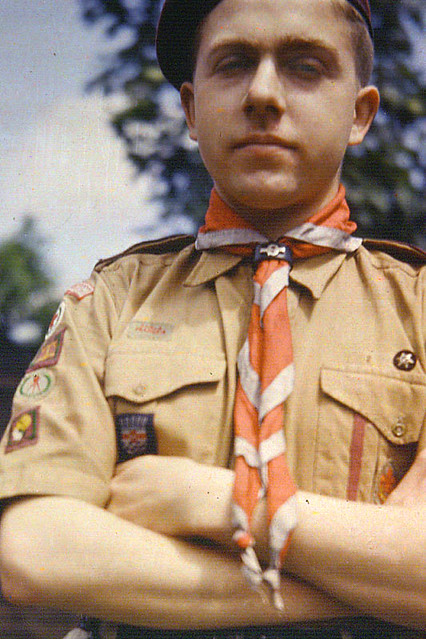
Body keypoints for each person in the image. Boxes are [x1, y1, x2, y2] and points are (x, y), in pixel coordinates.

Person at [0, 0, 425, 637]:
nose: (263, 94)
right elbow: (33, 552)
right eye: (233, 64)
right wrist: (375, 587)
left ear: (360, 114)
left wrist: (219, 502)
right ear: (192, 110)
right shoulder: (112, 302)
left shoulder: (417, 306)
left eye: (305, 67)